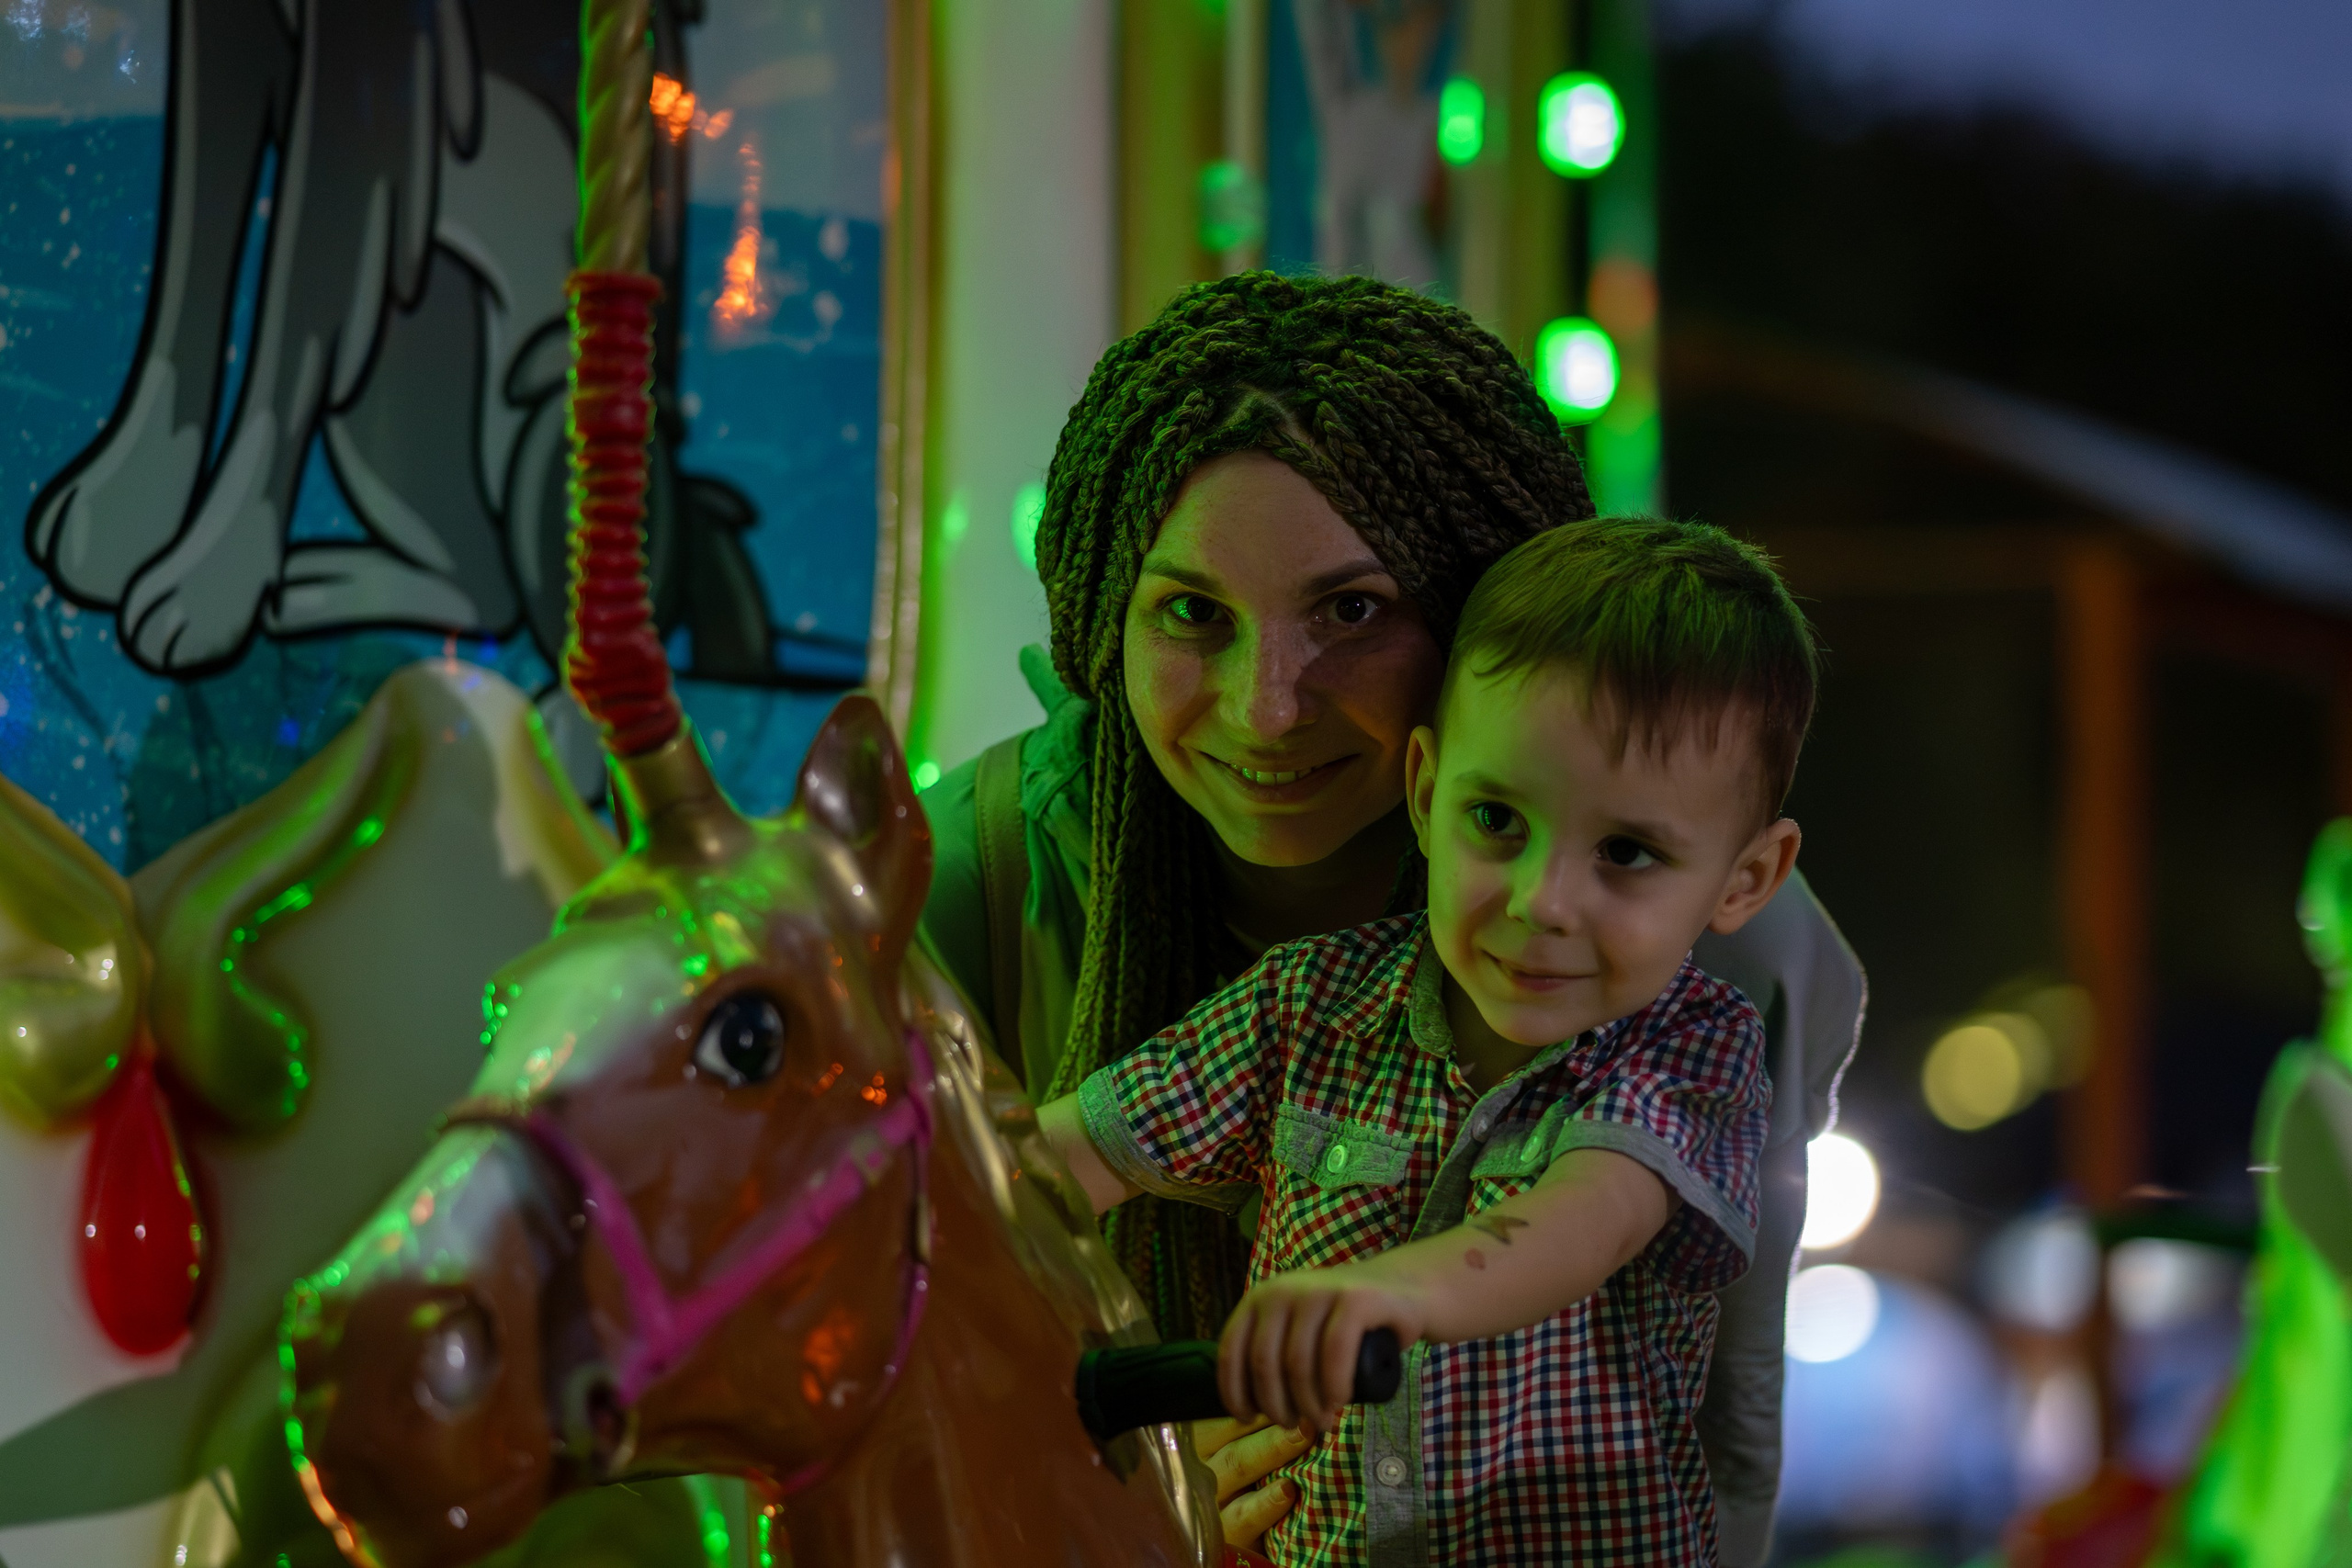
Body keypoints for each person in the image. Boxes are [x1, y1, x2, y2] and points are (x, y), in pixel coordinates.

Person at [916, 271, 1863, 1558]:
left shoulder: (1718, 950)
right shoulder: (971, 872)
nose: (1267, 707)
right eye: (1192, 612)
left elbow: (1720, 1408)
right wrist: (1103, 1461)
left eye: (1354, 610)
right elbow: (931, 1242)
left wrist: (1378, 1300)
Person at [1037, 517, 1805, 1562]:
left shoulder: (1687, 1046)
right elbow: (1052, 1167)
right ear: (1426, 788)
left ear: (1745, 879)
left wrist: (1394, 1291)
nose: (1542, 902)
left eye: (1625, 851)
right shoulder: (1306, 1004)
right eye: (1496, 821)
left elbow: (1585, 1219)